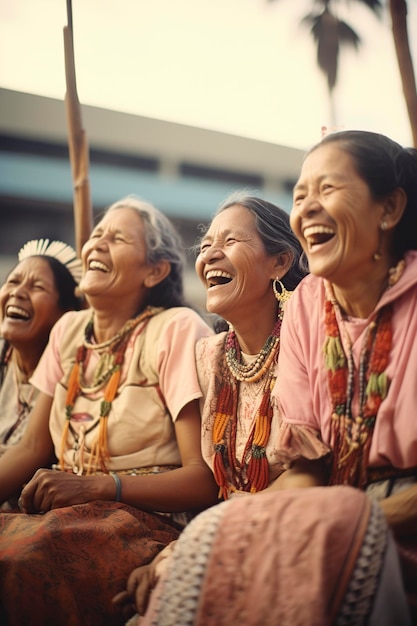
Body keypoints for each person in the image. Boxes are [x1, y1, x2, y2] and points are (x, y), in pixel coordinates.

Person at [0, 196, 218, 626]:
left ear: (154, 271)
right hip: (58, 517)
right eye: (96, 234)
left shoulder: (175, 327)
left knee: (20, 564)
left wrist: (99, 487)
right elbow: (30, 449)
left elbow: (203, 479)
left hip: (142, 523)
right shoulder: (67, 330)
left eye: (116, 238)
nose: (97, 243)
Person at [113, 192, 309, 622]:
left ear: (280, 262)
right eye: (204, 247)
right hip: (219, 533)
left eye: (231, 241)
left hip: (291, 534)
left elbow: (310, 473)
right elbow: (217, 486)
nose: (210, 255)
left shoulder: (307, 335)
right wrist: (173, 553)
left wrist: (193, 545)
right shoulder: (210, 354)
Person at [272, 130, 417, 619]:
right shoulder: (306, 303)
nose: (307, 207)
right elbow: (306, 470)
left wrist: (351, 523)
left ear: (389, 209)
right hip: (333, 520)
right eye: (299, 195)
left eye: (327, 189)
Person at [0, 239, 83, 508]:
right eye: (13, 282)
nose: (18, 293)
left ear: (66, 314)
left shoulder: (71, 370)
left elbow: (33, 449)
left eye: (37, 287)